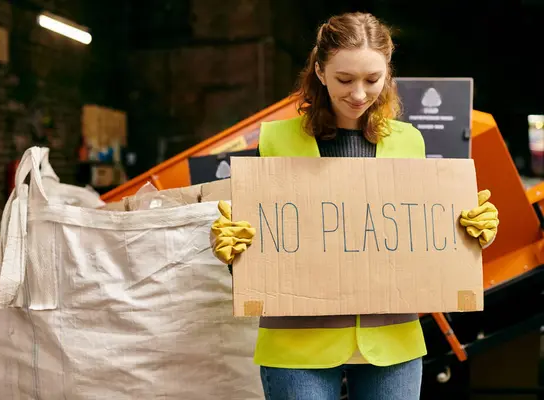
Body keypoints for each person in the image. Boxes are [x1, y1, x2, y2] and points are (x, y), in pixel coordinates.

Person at [210, 11, 499, 400]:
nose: (359, 94)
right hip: (297, 343)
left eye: (372, 79)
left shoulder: (409, 142)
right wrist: (233, 249)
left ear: (388, 75)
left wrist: (466, 233)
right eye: (345, 79)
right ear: (320, 71)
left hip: (392, 338)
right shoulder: (276, 141)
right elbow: (264, 244)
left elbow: (419, 239)